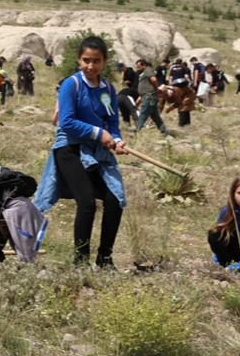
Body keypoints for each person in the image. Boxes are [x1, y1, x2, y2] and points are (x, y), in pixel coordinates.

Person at [32, 36, 128, 268]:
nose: (91, 66)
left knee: (114, 201)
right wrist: (99, 133)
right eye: (86, 60)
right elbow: (66, 121)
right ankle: (81, 262)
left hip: (95, 150)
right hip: (69, 149)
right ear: (78, 60)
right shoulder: (71, 85)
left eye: (96, 61)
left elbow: (112, 121)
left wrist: (116, 139)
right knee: (86, 201)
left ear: (104, 61)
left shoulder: (108, 89)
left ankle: (105, 259)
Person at [133, 58, 170, 136]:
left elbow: (153, 80)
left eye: (139, 67)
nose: (137, 68)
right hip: (147, 96)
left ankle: (136, 131)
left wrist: (156, 89)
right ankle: (164, 132)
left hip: (149, 97)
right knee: (156, 117)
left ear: (144, 65)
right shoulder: (144, 72)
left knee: (143, 114)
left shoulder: (148, 70)